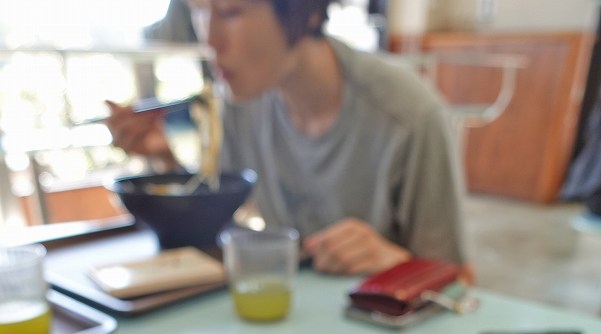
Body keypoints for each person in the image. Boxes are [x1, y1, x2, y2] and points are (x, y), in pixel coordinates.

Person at [107, 0, 474, 281]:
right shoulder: (242, 100)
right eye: (199, 11)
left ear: (306, 12)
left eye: (231, 11)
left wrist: (394, 262)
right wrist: (165, 161)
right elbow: (214, 221)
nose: (210, 39)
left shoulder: (409, 116)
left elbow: (461, 284)